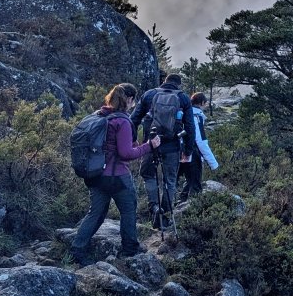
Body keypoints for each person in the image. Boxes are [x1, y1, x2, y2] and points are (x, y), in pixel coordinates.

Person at [71, 83, 159, 265]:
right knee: (128, 211)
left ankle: (77, 250)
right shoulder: (122, 121)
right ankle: (129, 250)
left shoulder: (100, 116)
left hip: (95, 176)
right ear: (129, 99)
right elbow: (126, 154)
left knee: (95, 213)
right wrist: (150, 145)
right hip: (117, 177)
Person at [130, 73, 198, 228]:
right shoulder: (183, 98)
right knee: (170, 180)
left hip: (151, 144)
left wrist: (133, 139)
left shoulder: (150, 94)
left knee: (148, 174)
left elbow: (133, 119)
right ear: (178, 84)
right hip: (173, 146)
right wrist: (188, 151)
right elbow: (190, 127)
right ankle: (165, 216)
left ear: (164, 82)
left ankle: (154, 207)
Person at [177, 91, 219, 201]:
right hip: (192, 153)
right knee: (195, 184)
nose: (205, 106)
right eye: (205, 103)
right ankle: (190, 210)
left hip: (178, 151)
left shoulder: (184, 113)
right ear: (201, 103)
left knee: (186, 180)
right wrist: (213, 163)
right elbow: (200, 141)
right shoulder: (196, 116)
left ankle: (180, 202)